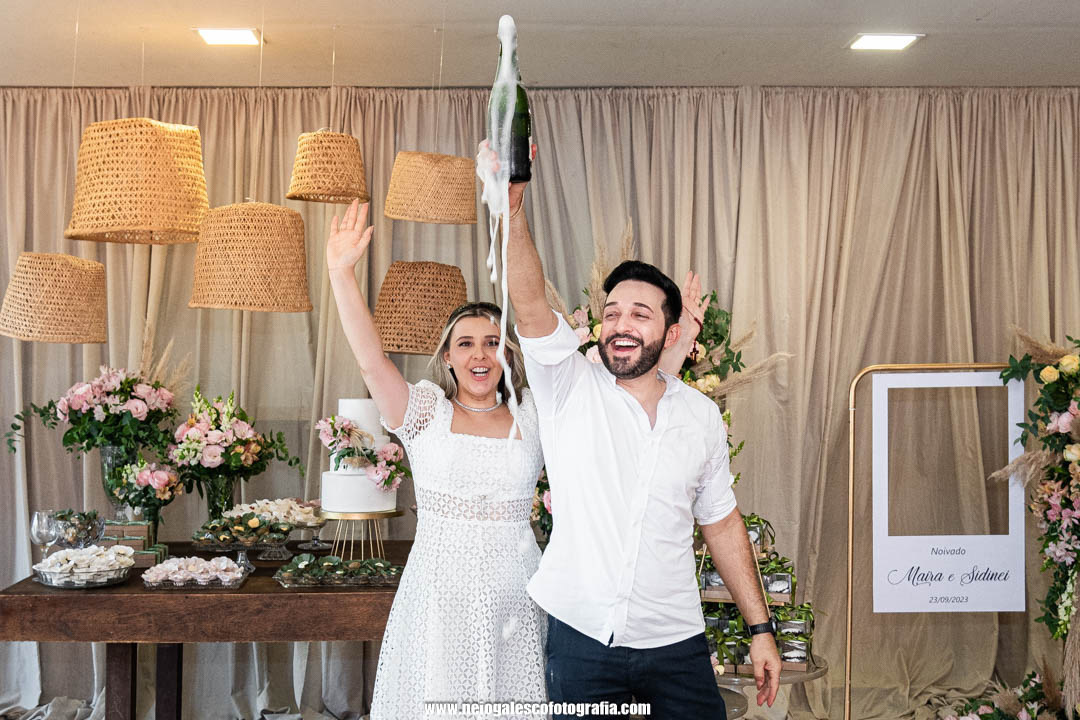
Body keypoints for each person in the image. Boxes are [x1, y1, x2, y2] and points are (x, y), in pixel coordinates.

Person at [491, 154, 782, 718]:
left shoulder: (700, 417)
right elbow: (529, 303)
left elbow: (722, 524)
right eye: (613, 313)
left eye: (640, 314)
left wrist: (761, 629)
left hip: (676, 641)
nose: (621, 324)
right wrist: (514, 211)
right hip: (582, 640)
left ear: (671, 334)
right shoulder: (567, 384)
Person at [326, 199, 547, 718]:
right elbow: (371, 361)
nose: (480, 354)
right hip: (438, 600)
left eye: (492, 342)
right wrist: (340, 273)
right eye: (465, 343)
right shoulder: (425, 412)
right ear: (447, 356)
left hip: (517, 599)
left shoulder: (535, 416)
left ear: (508, 354)